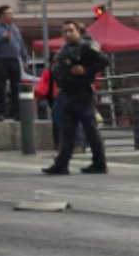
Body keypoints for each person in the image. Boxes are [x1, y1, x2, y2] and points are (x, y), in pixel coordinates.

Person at [43, 20, 110, 175]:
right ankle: (62, 164)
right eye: (65, 31)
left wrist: (85, 70)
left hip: (82, 92)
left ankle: (99, 163)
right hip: (67, 92)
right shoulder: (64, 49)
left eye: (71, 30)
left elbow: (104, 61)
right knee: (67, 131)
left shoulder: (86, 46)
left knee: (90, 129)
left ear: (78, 32)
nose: (67, 34)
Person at [0, 4, 26, 120]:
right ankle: (0, 112)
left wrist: (25, 59)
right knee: (1, 87)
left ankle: (16, 112)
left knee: (16, 87)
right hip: (1, 60)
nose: (11, 16)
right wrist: (2, 39)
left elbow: (21, 44)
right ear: (1, 16)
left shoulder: (14, 28)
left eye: (11, 13)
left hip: (14, 60)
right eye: (8, 13)